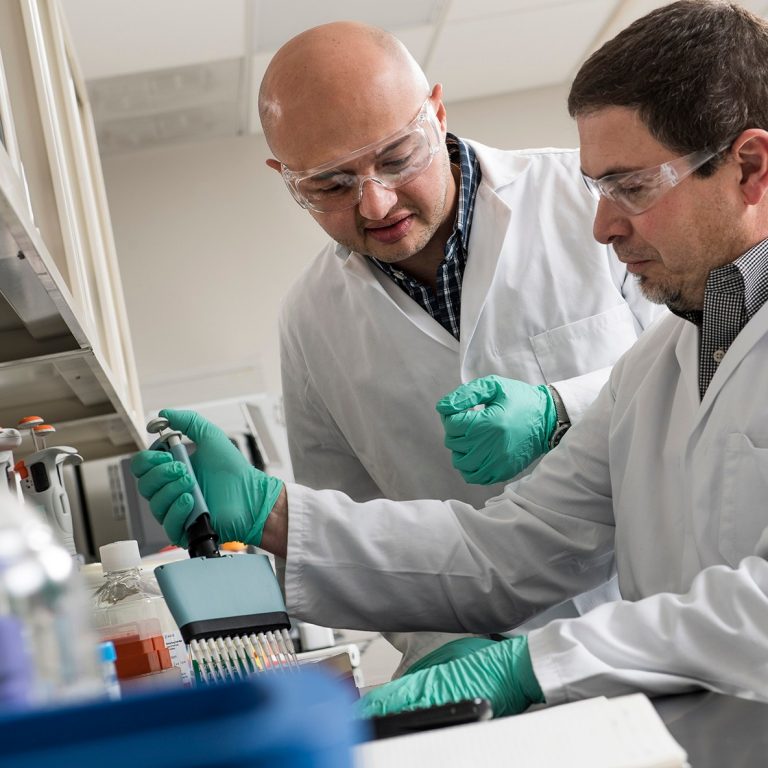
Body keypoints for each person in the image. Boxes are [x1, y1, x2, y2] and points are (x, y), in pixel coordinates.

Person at [133, 0, 768, 716]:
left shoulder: (583, 232)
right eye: (331, 184)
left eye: (631, 187)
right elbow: (508, 550)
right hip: (650, 713)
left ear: (750, 166)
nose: (602, 225)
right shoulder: (663, 359)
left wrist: (535, 661)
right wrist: (271, 513)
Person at [257, 21, 661, 672]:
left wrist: (560, 407)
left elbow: (699, 365)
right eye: (330, 185)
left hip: (667, 619)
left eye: (395, 158)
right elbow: (360, 536)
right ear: (286, 177)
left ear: (437, 113)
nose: (376, 202)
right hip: (499, 669)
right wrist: (446, 651)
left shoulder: (585, 202)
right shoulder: (310, 325)